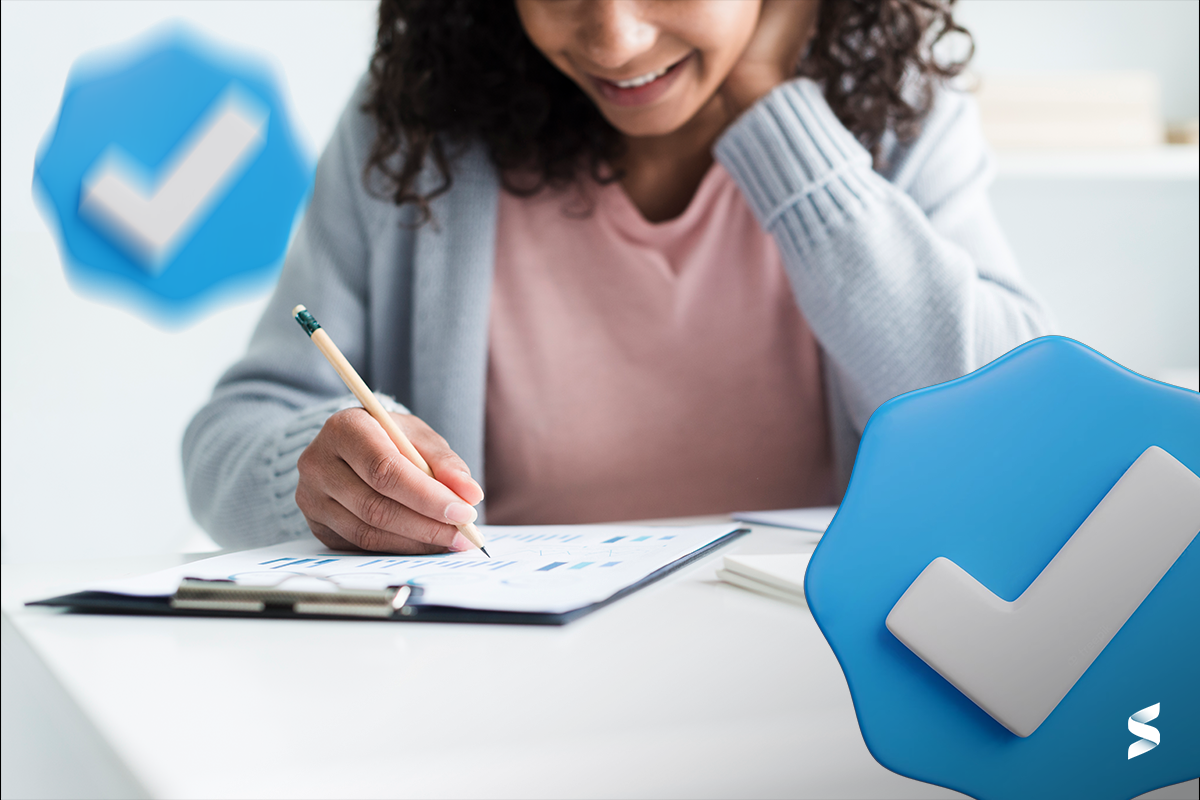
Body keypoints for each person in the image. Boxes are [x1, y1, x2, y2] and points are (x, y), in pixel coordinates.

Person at [184, 0, 1052, 555]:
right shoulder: (415, 125)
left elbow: (1011, 432)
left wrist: (771, 110)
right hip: (500, 695)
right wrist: (324, 475)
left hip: (816, 689)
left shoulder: (896, 113)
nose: (614, 40)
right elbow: (234, 428)